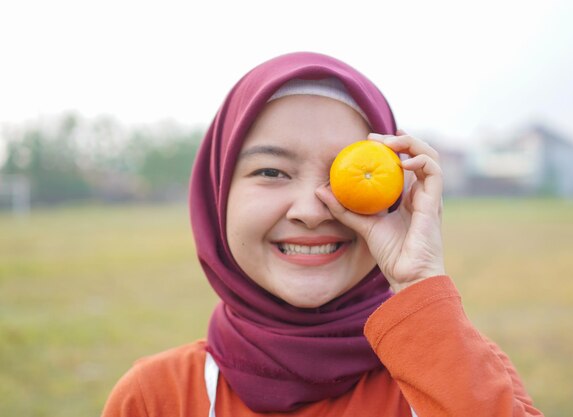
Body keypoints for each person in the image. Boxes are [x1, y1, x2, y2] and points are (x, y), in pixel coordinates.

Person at [101, 51, 543, 417]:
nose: (312, 210)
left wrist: (418, 282)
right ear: (218, 196)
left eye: (341, 172)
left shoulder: (461, 373)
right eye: (271, 171)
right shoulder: (156, 399)